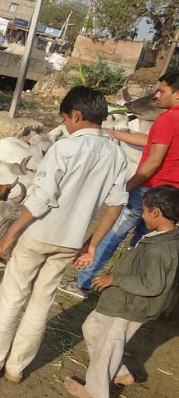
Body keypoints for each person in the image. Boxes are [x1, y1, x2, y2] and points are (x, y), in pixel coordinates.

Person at [0, 86, 129, 383]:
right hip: (69, 241)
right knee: (42, 302)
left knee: (12, 297)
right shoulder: (116, 155)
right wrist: (91, 246)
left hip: (38, 234)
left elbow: (42, 199)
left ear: (76, 116)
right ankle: (16, 368)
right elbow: (116, 205)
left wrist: (11, 233)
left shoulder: (64, 148)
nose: (65, 125)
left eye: (65, 119)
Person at [59, 71, 179, 299]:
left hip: (149, 190)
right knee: (145, 243)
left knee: (112, 233)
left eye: (162, 90)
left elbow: (153, 161)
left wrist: (127, 186)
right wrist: (116, 133)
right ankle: (127, 288)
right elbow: (153, 142)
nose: (157, 94)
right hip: (172, 196)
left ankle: (83, 282)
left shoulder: (168, 119)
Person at [65, 185, 179, 398]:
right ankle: (120, 373)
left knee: (109, 346)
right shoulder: (160, 237)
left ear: (156, 212)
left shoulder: (161, 249)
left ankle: (95, 392)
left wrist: (114, 279)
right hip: (122, 300)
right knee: (92, 328)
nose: (142, 215)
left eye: (145, 211)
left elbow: (152, 285)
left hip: (132, 306)